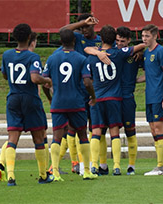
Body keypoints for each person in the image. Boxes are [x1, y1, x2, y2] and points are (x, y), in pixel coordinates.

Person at [0, 23, 54, 186]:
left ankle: (10, 176)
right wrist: (47, 80)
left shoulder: (7, 55)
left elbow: (4, 75)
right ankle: (43, 175)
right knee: (38, 137)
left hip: (14, 97)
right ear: (30, 38)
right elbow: (35, 78)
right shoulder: (32, 57)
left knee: (13, 138)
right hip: (29, 98)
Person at [85, 25, 145, 176]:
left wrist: (137, 80)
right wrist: (96, 52)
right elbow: (88, 49)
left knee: (129, 132)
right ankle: (106, 165)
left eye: (123, 41)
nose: (119, 43)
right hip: (115, 98)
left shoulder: (134, 54)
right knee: (108, 131)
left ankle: (130, 166)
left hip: (125, 98)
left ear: (129, 41)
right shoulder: (118, 53)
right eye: (117, 40)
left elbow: (150, 69)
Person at [42, 28, 98, 181]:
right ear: (74, 41)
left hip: (58, 102)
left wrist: (50, 97)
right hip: (76, 102)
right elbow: (87, 82)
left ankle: (55, 173)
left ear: (61, 42)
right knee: (82, 135)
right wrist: (93, 96)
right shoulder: (81, 59)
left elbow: (44, 82)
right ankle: (86, 171)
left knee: (57, 138)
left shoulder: (52, 59)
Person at [59, 13, 103, 175]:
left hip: (95, 88)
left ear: (94, 26)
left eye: (87, 26)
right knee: (74, 127)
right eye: (82, 26)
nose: (84, 29)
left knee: (94, 126)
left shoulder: (100, 41)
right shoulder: (76, 39)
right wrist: (81, 22)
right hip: (77, 89)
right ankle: (75, 162)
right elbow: (63, 30)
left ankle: (93, 162)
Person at [141, 24, 163, 176]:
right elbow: (150, 75)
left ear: (155, 36)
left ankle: (160, 167)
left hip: (159, 97)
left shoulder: (161, 51)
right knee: (154, 131)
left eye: (147, 36)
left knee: (160, 130)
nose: (144, 39)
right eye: (142, 36)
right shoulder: (146, 53)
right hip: (150, 97)